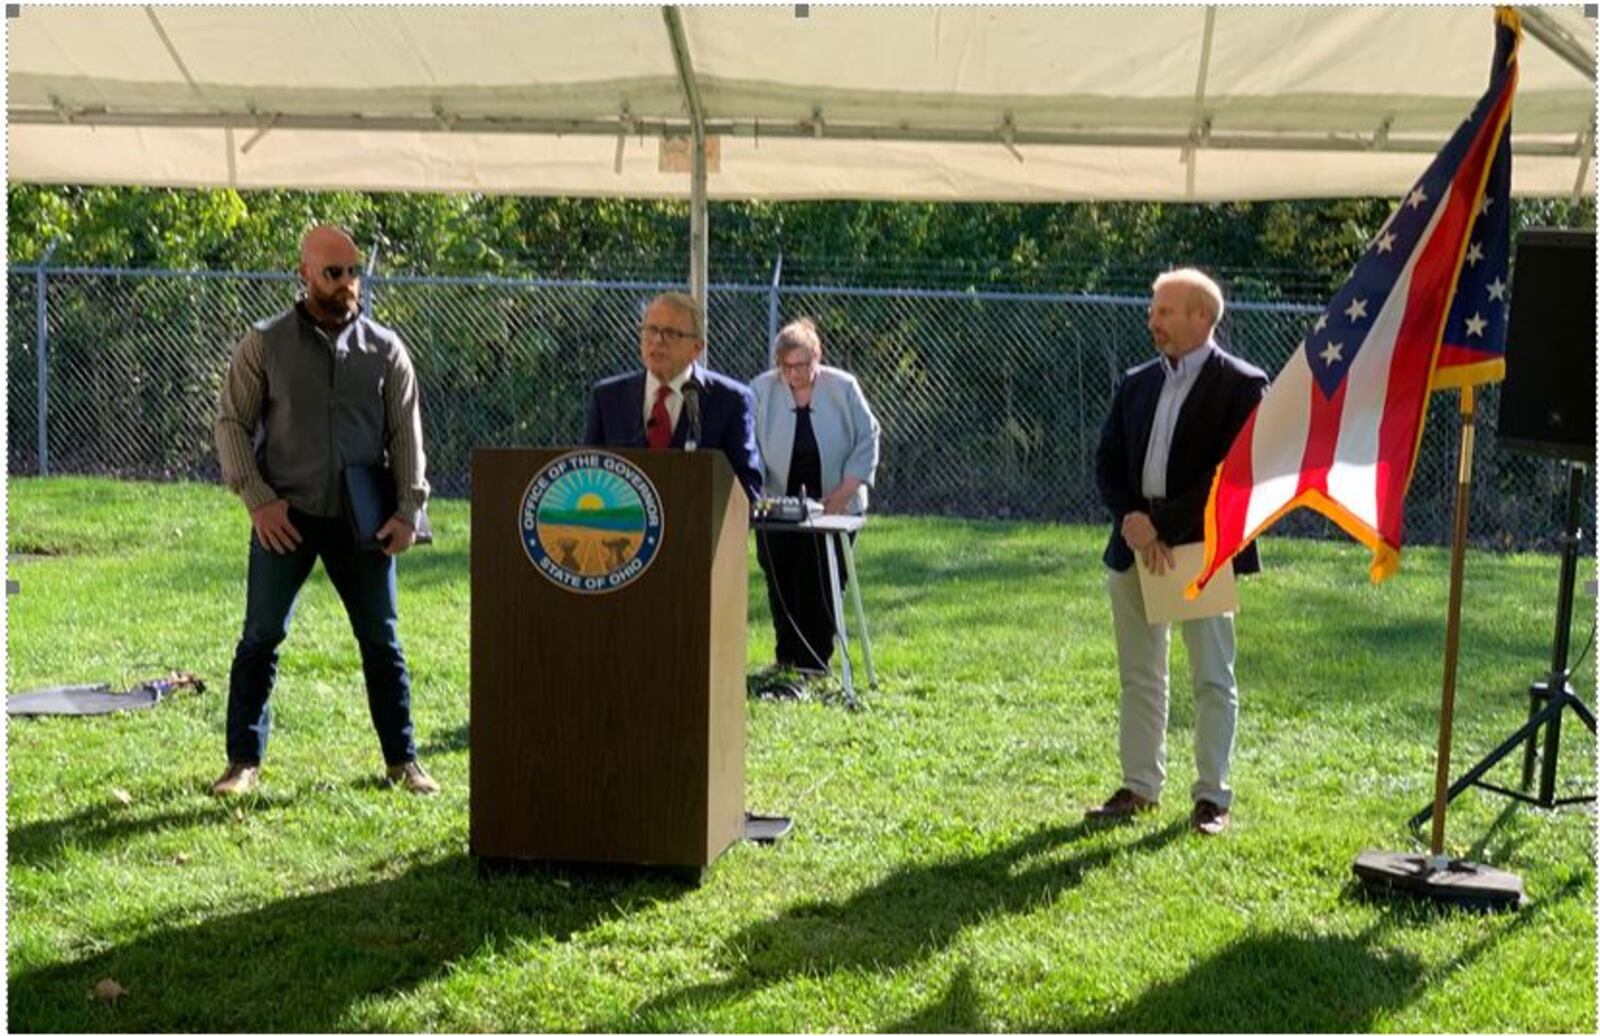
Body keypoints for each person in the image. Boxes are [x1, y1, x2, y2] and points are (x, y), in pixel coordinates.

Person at [211, 225, 439, 797]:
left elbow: (405, 434)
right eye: (332, 272)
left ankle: (402, 761)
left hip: (364, 520)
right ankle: (243, 763)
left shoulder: (386, 350)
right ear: (304, 274)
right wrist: (257, 500)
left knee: (381, 641)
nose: (346, 283)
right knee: (260, 636)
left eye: (352, 272)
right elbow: (231, 423)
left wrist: (410, 510)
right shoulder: (264, 343)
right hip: (285, 515)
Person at [1088, 268, 1268, 835]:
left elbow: (1231, 477)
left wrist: (1158, 524)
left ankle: (1212, 797)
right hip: (1134, 546)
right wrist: (1133, 523)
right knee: (1140, 674)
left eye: (1164, 311)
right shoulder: (1136, 382)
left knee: (1212, 676)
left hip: (1200, 549)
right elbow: (1107, 462)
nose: (1152, 320)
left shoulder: (1242, 385)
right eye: (1153, 309)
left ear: (1201, 318)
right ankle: (1140, 786)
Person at [749, 318, 881, 674]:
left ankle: (815, 662)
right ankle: (786, 659)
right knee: (782, 582)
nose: (796, 373)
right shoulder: (761, 390)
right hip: (775, 506)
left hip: (835, 503)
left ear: (817, 356)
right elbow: (750, 446)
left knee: (822, 580)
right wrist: (758, 490)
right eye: (787, 367)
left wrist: (845, 492)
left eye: (804, 364)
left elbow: (868, 438)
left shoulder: (845, 388)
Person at [584, 291, 763, 499]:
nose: (657, 341)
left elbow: (747, 487)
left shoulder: (730, 401)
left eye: (671, 333)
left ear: (697, 348)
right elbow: (589, 475)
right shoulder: (608, 398)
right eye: (651, 330)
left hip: (697, 527)